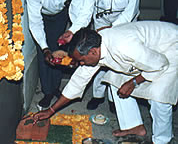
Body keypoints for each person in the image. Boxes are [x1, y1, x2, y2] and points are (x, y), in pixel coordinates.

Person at [33, 21, 178, 144]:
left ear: (93, 52)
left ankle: (162, 139)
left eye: (82, 60)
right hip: (147, 55)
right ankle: (135, 127)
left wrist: (134, 82)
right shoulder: (94, 47)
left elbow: (161, 63)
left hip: (170, 47)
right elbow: (77, 82)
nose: (81, 64)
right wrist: (51, 111)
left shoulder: (124, 47)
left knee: (159, 95)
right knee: (115, 80)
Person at [58, 0, 140, 111]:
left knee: (120, 60)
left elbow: (132, 9)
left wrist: (111, 30)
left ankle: (115, 99)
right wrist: (72, 31)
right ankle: (98, 95)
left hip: (125, 24)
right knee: (98, 59)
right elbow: (86, 12)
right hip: (101, 21)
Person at [27, 0, 84, 108]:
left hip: (61, 15)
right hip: (42, 16)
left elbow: (78, 12)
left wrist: (73, 32)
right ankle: (47, 92)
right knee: (45, 55)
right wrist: (45, 48)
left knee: (59, 50)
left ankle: (56, 88)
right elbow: (35, 21)